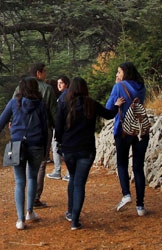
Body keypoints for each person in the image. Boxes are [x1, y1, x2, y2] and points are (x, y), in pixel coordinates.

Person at [55, 76, 117, 230]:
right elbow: (109, 114)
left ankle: (70, 212)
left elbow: (58, 128)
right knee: (80, 183)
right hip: (86, 149)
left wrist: (61, 144)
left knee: (73, 178)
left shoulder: (64, 104)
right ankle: (75, 220)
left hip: (69, 149)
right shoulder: (91, 103)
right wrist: (117, 105)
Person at [0, 76, 50, 230]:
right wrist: (46, 148)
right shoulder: (41, 105)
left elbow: (1, 121)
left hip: (17, 145)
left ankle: (20, 219)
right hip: (37, 144)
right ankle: (30, 212)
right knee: (32, 177)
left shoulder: (14, 103)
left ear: (21, 89)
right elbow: (46, 128)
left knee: (19, 181)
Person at [105, 61, 150, 216]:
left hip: (123, 130)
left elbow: (108, 107)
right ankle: (140, 206)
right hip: (140, 130)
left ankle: (126, 194)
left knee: (122, 164)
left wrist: (117, 100)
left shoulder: (119, 87)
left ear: (125, 73)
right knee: (138, 168)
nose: (117, 75)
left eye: (119, 72)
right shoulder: (141, 87)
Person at [12, 62, 55, 207]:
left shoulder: (19, 87)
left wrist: (13, 123)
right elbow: (53, 113)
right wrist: (57, 130)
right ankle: (35, 198)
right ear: (38, 73)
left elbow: (13, 105)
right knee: (41, 164)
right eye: (45, 71)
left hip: (21, 130)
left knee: (20, 168)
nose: (46, 74)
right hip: (42, 131)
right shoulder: (48, 89)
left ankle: (22, 203)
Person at [47, 75, 71, 181]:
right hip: (65, 126)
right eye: (57, 83)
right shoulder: (66, 95)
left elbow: (59, 114)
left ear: (66, 84)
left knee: (57, 147)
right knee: (59, 148)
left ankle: (59, 171)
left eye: (61, 83)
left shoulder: (63, 97)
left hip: (61, 127)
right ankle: (62, 171)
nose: (59, 85)